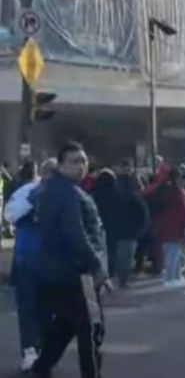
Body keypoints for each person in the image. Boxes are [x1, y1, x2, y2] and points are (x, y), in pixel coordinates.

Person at [31, 142, 110, 378]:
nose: (81, 166)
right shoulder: (65, 193)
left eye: (83, 161)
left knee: (66, 325)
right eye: (74, 161)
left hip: (60, 270)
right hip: (77, 271)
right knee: (91, 328)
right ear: (61, 164)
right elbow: (75, 234)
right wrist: (96, 265)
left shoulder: (54, 189)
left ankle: (41, 367)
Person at [4, 159, 54, 372]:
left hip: (54, 264)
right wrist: (34, 198)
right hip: (28, 262)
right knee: (28, 309)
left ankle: (43, 349)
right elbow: (10, 214)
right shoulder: (28, 190)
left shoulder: (70, 194)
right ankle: (30, 351)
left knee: (48, 311)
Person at [153, 168, 185, 286]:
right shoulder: (179, 192)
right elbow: (182, 210)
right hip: (176, 226)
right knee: (174, 254)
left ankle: (174, 276)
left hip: (162, 225)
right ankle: (172, 278)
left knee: (169, 252)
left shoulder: (162, 190)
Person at [112, 173, 149, 288]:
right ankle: (123, 280)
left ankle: (118, 278)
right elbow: (143, 214)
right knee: (127, 257)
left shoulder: (116, 197)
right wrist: (140, 229)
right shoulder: (135, 198)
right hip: (131, 232)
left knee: (120, 256)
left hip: (118, 231)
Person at [92, 169, 123, 279]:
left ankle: (103, 272)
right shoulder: (118, 193)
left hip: (99, 225)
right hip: (114, 225)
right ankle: (112, 272)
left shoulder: (94, 194)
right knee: (112, 250)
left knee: (101, 250)